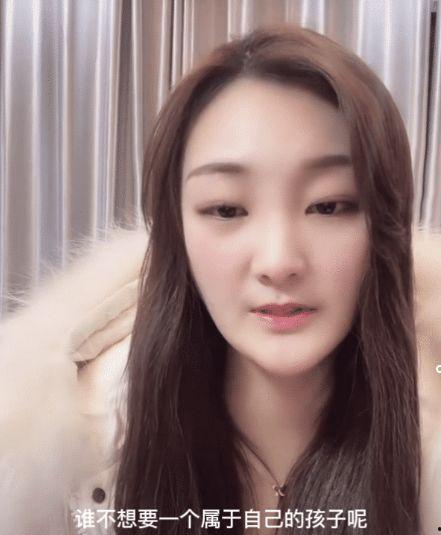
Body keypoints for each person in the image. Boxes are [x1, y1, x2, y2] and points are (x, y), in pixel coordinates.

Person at [0, 23, 440, 535]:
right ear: (176, 232)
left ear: (386, 225)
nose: (278, 261)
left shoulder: (426, 438)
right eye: (227, 209)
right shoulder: (67, 447)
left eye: (328, 205)